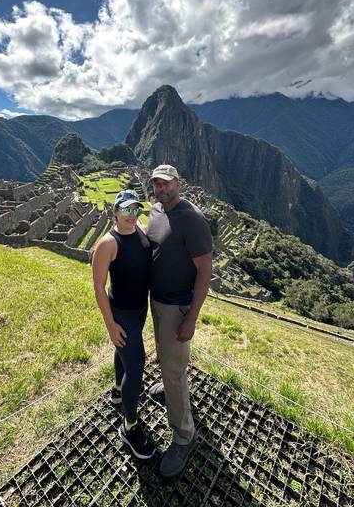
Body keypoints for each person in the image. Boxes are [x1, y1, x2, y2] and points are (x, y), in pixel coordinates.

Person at [146, 165, 213, 477]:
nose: (161, 188)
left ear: (178, 183)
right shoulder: (156, 211)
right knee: (167, 360)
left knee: (174, 369)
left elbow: (204, 272)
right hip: (156, 301)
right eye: (157, 184)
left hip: (177, 306)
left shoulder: (192, 219)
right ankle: (171, 389)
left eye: (166, 183)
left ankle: (184, 436)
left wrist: (192, 319)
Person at [92, 189, 155, 459]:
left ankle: (117, 392)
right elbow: (98, 287)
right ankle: (129, 428)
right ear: (115, 211)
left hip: (140, 309)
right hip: (123, 313)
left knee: (124, 355)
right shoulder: (108, 243)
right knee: (137, 365)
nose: (132, 214)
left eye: (136, 209)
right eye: (126, 209)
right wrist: (110, 324)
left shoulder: (140, 229)